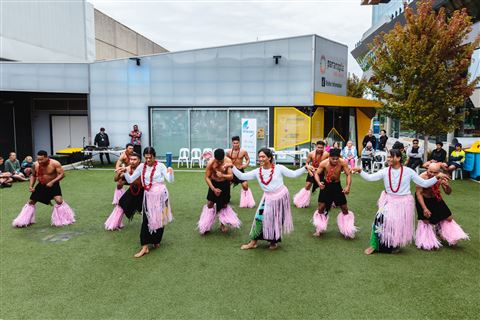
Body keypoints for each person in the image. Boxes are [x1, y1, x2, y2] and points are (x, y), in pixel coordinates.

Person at [353, 149, 449, 255]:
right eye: (388, 157)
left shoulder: (408, 171)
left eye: (391, 156)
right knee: (379, 219)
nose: (388, 158)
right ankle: (375, 245)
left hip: (403, 203)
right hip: (389, 200)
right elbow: (370, 178)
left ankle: (394, 244)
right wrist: (360, 171)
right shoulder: (385, 171)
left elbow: (424, 183)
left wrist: (436, 177)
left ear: (398, 158)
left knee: (396, 224)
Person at [229, 148, 314, 250]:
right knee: (259, 218)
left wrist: (305, 168)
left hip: (281, 197)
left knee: (276, 220)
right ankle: (253, 242)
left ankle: (273, 242)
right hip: (268, 197)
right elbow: (242, 175)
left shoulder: (279, 168)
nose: (260, 159)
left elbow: (293, 174)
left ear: (269, 158)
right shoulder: (257, 171)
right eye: (259, 157)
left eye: (263, 156)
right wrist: (232, 167)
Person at [121, 147, 173, 258]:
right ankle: (144, 246)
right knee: (146, 219)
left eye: (150, 157)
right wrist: (125, 171)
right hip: (148, 195)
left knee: (160, 219)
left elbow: (170, 180)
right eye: (146, 157)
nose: (148, 160)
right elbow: (130, 180)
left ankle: (156, 240)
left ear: (154, 156)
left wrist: (171, 172)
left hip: (161, 195)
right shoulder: (141, 167)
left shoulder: (161, 166)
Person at [12, 150, 76, 227]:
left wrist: (52, 182)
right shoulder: (35, 165)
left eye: (41, 159)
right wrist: (31, 186)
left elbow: (62, 174)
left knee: (59, 201)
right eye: (38, 159)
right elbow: (33, 175)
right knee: (31, 202)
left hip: (53, 185)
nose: (40, 161)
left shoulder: (55, 163)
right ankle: (23, 221)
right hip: (41, 184)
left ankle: (66, 219)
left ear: (46, 157)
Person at [415, 163, 469, 250]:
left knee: (449, 218)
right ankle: (425, 241)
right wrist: (424, 208)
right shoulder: (422, 177)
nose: (432, 174)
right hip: (423, 198)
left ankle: (439, 231)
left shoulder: (441, 177)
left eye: (435, 172)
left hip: (435, 198)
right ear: (427, 169)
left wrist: (447, 186)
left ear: (439, 172)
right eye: (430, 171)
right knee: (426, 221)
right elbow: (419, 193)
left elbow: (448, 192)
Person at [311, 148, 357, 238]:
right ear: (329, 157)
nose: (335, 160)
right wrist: (319, 183)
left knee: (344, 208)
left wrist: (348, 186)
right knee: (321, 208)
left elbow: (348, 174)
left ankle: (347, 230)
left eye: (337, 158)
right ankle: (319, 228)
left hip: (337, 186)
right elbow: (316, 173)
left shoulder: (342, 162)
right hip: (326, 186)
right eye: (333, 159)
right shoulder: (324, 163)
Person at [198, 149, 241, 234]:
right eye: (218, 161)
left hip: (225, 184)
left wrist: (223, 175)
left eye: (221, 161)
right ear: (215, 158)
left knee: (224, 204)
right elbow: (207, 177)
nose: (220, 163)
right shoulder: (210, 163)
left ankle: (222, 224)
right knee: (210, 204)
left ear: (223, 158)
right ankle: (206, 225)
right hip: (214, 184)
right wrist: (213, 189)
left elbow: (231, 177)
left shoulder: (227, 161)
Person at [105, 152, 143, 231]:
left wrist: (127, 178)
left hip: (144, 192)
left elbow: (141, 183)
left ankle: (153, 225)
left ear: (139, 160)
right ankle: (114, 225)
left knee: (147, 209)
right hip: (133, 190)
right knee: (121, 204)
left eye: (134, 159)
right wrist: (119, 174)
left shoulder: (143, 168)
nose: (132, 161)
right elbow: (115, 179)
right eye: (131, 159)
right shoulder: (128, 168)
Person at [293, 140, 329, 208]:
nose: (320, 149)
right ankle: (300, 201)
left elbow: (329, 163)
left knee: (324, 187)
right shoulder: (311, 153)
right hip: (312, 171)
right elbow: (307, 163)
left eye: (321, 147)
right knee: (308, 185)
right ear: (316, 147)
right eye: (318, 147)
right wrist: (309, 170)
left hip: (322, 172)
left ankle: (328, 202)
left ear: (324, 147)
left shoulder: (326, 154)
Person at [227, 136, 255, 208]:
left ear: (239, 143)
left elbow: (248, 159)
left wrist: (245, 164)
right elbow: (226, 161)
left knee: (245, 186)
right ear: (232, 143)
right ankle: (226, 199)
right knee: (226, 185)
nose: (235, 144)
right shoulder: (229, 152)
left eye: (237, 143)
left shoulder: (243, 151)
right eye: (234, 143)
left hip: (240, 171)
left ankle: (248, 202)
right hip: (232, 171)